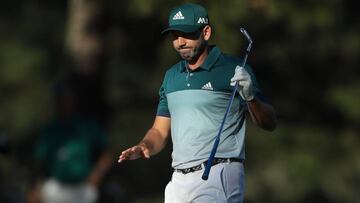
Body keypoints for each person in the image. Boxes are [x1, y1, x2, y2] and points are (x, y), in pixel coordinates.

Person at [118, 3, 277, 203]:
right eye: (175, 36)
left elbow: (269, 122)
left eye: (187, 34)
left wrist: (250, 96)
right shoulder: (171, 76)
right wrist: (144, 146)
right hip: (178, 180)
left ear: (206, 32)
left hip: (219, 173)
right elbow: (159, 131)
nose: (180, 42)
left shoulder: (233, 69)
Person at [28, 80, 112, 203]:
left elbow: (106, 155)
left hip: (83, 188)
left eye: (66, 99)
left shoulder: (88, 126)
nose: (62, 103)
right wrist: (35, 188)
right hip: (56, 188)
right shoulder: (49, 130)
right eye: (59, 99)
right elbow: (39, 163)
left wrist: (96, 176)